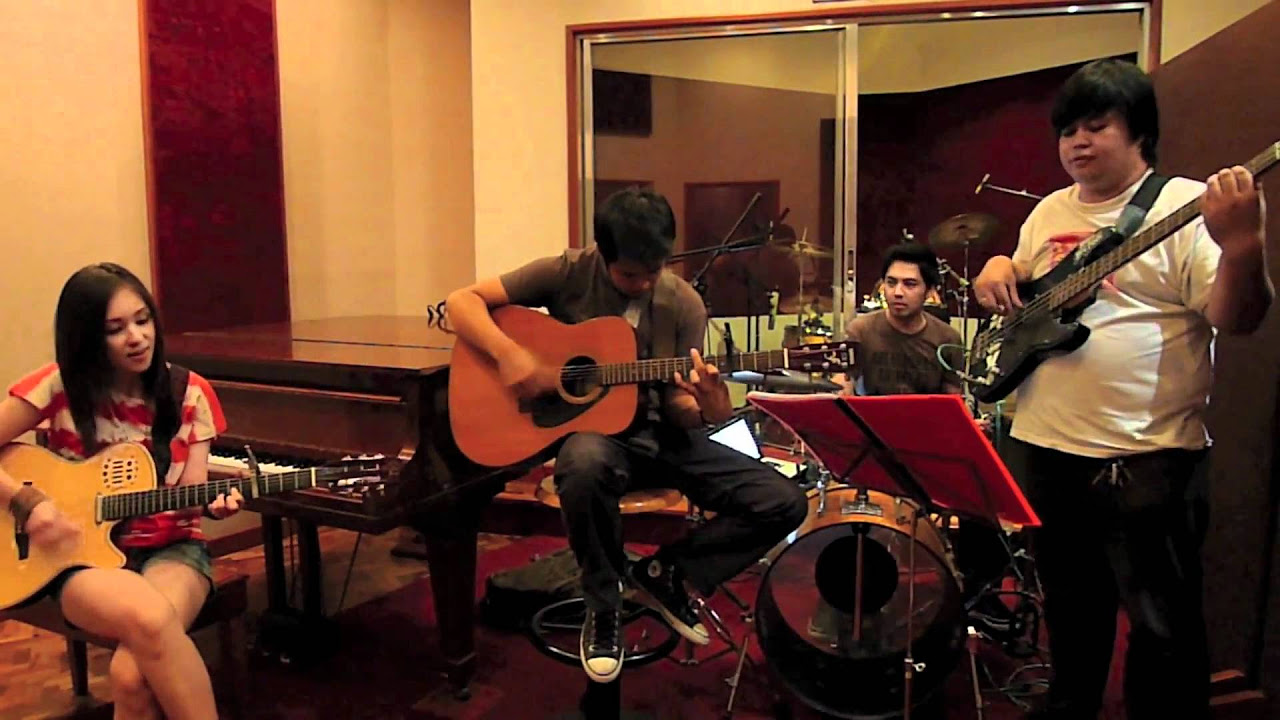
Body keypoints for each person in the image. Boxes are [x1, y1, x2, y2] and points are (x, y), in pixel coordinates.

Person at [972, 58, 1272, 720]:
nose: (1077, 142)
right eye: (1067, 130)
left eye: (1096, 126)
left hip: (1147, 458)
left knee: (1163, 629)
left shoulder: (1184, 205)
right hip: (1048, 449)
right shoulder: (1049, 210)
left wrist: (1244, 246)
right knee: (1070, 613)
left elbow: (1238, 318)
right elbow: (1022, 285)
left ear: (1139, 131)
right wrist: (997, 266)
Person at [446, 188, 808, 683]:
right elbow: (461, 303)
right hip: (595, 437)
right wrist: (511, 356)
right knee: (584, 461)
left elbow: (679, 407)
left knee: (783, 501)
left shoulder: (683, 304)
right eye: (630, 275)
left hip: (662, 436)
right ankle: (604, 606)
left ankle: (666, 573)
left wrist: (709, 407)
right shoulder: (568, 272)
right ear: (603, 254)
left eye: (654, 271)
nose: (644, 283)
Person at [0, 263, 244, 720]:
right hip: (76, 557)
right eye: (116, 329)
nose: (137, 337)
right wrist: (25, 502)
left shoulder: (190, 393)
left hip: (173, 551)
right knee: (149, 618)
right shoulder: (59, 385)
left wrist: (215, 505)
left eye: (143, 320)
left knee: (132, 676)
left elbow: (193, 498)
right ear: (87, 337)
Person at [844, 242, 964, 397]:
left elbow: (953, 400)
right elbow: (843, 382)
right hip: (873, 412)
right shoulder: (861, 330)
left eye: (910, 284)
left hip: (926, 413)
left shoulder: (947, 339)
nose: (897, 292)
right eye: (891, 283)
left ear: (930, 291)